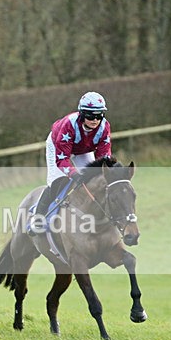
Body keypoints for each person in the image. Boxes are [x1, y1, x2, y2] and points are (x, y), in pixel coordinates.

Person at [28, 91, 112, 235]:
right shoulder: (68, 125)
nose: (95, 120)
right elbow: (62, 159)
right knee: (56, 182)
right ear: (82, 114)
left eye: (99, 115)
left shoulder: (104, 127)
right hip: (58, 147)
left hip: (83, 149)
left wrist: (109, 171)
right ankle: (38, 218)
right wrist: (74, 174)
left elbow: (104, 156)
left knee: (96, 178)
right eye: (91, 115)